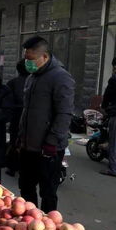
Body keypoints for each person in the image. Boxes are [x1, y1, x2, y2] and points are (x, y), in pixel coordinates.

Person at [18, 36, 75, 212]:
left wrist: (51, 142)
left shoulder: (61, 77)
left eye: (31, 59)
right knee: (26, 188)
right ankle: (29, 221)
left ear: (45, 56)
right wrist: (20, 138)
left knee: (48, 191)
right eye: (26, 58)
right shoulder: (32, 77)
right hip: (29, 146)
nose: (27, 62)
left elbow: (64, 113)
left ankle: (48, 225)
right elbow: (27, 111)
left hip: (48, 149)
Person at [5, 59, 29, 176]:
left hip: (16, 117)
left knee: (14, 142)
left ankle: (12, 167)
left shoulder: (12, 83)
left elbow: (7, 103)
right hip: (30, 119)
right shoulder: (34, 82)